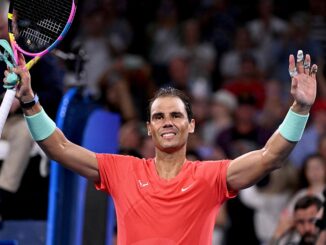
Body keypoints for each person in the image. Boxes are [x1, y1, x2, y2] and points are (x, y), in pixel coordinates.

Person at [3, 50, 318, 244]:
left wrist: (300, 109)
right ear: (149, 128)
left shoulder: (211, 176)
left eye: (176, 115)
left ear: (191, 125)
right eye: (159, 116)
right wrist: (29, 102)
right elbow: (59, 147)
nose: (167, 121)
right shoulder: (121, 169)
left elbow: (269, 157)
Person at [0, 0, 63, 221]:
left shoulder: (32, 49)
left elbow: (55, 91)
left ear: (13, 20)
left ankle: (3, 197)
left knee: (24, 132)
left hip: (18, 120)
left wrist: (25, 100)